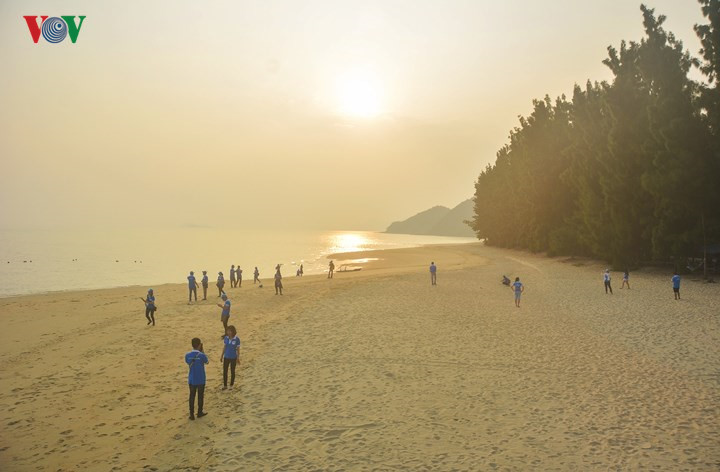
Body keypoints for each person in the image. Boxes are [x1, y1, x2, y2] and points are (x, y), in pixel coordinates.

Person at [185, 338, 209, 420]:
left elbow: (188, 362)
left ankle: (191, 414)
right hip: (201, 378)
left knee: (192, 396)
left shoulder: (187, 355)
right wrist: (202, 351)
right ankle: (199, 412)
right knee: (200, 396)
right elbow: (206, 361)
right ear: (199, 345)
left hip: (192, 379)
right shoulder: (201, 355)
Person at [220, 325, 241, 390]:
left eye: (230, 331)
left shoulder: (237, 339)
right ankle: (225, 385)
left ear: (233, 331)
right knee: (225, 371)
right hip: (226, 357)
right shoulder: (226, 338)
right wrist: (221, 356)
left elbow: (238, 349)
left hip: (233, 357)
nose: (228, 332)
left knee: (232, 371)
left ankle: (231, 385)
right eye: (227, 331)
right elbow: (225, 347)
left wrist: (238, 358)